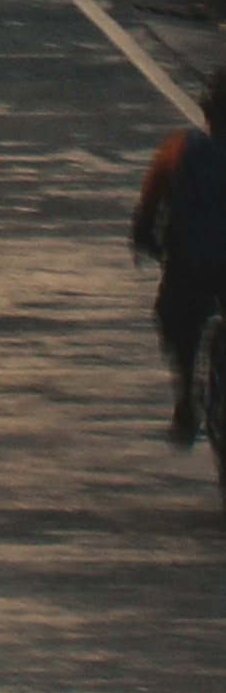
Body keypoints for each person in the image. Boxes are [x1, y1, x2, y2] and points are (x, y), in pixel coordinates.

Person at [130, 73, 226, 441]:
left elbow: (149, 206)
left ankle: (186, 396)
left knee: (176, 319)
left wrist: (144, 239)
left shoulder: (180, 149)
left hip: (191, 267)